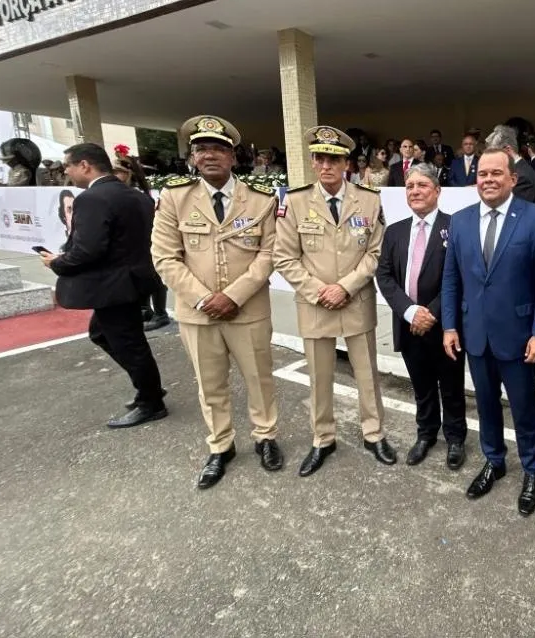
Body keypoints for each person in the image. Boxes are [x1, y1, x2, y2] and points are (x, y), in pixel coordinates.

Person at [151, 115, 284, 489]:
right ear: (192, 157)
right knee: (209, 385)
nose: (210, 155)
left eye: (218, 148)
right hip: (198, 313)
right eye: (201, 149)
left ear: (232, 156)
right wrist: (206, 298)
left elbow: (268, 253)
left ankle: (265, 437)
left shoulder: (260, 198)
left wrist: (234, 296)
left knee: (260, 379)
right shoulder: (174, 197)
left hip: (249, 310)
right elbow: (164, 257)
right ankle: (220, 446)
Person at [441, 147, 535, 516]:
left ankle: (531, 470)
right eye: (482, 174)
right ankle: (494, 460)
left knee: (524, 408)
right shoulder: (459, 221)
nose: (488, 179)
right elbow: (451, 279)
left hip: (520, 336)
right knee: (487, 404)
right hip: (475, 334)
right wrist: (449, 326)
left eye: (496, 173)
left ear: (513, 179)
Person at [273, 126, 396, 473]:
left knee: (367, 374)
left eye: (334, 159)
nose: (327, 165)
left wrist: (345, 286)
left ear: (347, 165)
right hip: (314, 305)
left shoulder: (369, 200)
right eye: (320, 158)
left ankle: (374, 434)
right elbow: (283, 257)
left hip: (356, 301)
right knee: (319, 376)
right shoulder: (295, 202)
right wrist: (318, 290)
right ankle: (322, 439)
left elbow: (376, 253)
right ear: (313, 162)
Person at [40, 143, 167, 429]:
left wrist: (57, 263)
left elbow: (88, 250)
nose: (67, 173)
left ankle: (151, 400)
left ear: (84, 165)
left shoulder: (92, 198)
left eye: (68, 167)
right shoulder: (136, 196)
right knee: (103, 334)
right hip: (135, 281)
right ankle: (149, 389)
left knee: (129, 344)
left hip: (114, 286)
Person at [376, 164, 467, 469]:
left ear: (437, 191)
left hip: (445, 327)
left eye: (422, 185)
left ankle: (455, 438)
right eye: (410, 186)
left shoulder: (456, 228)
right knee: (422, 386)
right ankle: (426, 433)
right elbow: (385, 275)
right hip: (409, 325)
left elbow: (460, 279)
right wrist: (410, 311)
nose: (415, 191)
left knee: (452, 386)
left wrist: (431, 313)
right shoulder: (395, 231)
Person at [112, 149, 173, 333]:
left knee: (154, 278)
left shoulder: (137, 193)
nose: (113, 175)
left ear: (126, 173)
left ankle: (160, 313)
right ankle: (145, 309)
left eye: (116, 172)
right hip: (133, 243)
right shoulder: (125, 192)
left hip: (147, 241)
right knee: (140, 277)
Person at [484, 124, 535, 205]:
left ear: (508, 150)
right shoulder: (517, 171)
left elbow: (516, 212)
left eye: (496, 153)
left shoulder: (522, 178)